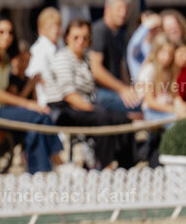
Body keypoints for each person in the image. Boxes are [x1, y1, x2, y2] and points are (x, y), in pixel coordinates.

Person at [0, 17, 63, 173]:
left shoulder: (3, 59)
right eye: (1, 32)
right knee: (39, 116)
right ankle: (58, 161)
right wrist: (29, 104)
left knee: (35, 126)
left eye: (10, 32)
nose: (6, 36)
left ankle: (39, 172)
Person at [46, 19, 137, 169]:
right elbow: (70, 95)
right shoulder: (63, 58)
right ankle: (105, 165)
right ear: (67, 38)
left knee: (123, 119)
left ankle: (127, 166)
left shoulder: (87, 58)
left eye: (85, 37)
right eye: (76, 37)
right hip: (66, 109)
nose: (80, 41)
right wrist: (95, 109)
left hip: (86, 104)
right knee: (103, 118)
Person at [90, 0, 141, 115]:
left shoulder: (119, 34)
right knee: (143, 106)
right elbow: (96, 70)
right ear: (107, 9)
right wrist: (123, 89)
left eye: (126, 9)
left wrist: (129, 89)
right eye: (119, 8)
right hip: (99, 92)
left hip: (115, 90)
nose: (123, 13)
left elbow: (122, 66)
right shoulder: (99, 30)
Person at [137, 34, 186, 125]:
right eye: (163, 52)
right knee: (177, 123)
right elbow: (150, 102)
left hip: (169, 107)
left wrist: (180, 105)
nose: (167, 57)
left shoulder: (170, 70)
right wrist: (173, 109)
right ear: (156, 51)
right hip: (153, 112)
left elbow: (175, 95)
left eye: (170, 54)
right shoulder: (149, 70)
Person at [27, 7, 62, 107]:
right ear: (41, 30)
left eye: (58, 25)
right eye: (50, 26)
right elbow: (38, 79)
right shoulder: (39, 49)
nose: (55, 30)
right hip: (48, 101)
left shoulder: (59, 47)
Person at [126, 12, 162, 82]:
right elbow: (134, 45)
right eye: (152, 27)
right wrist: (146, 26)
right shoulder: (137, 48)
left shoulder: (158, 47)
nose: (153, 30)